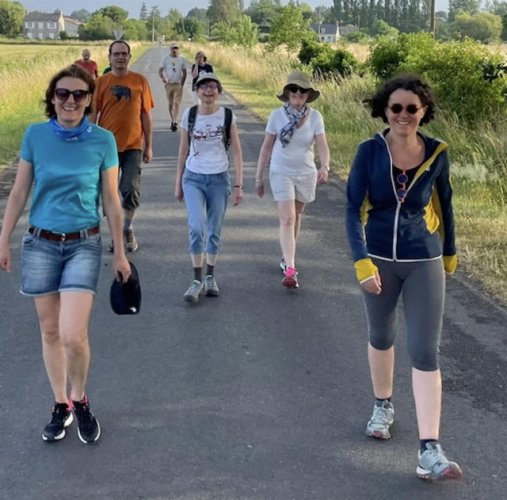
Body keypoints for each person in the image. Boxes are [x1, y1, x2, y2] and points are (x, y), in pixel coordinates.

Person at [0, 64, 130, 444]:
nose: (70, 101)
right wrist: (4, 237)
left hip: (83, 243)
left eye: (79, 94)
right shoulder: (35, 136)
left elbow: (111, 200)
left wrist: (120, 252)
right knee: (51, 331)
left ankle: (80, 397)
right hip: (40, 243)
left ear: (89, 100)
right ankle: (61, 404)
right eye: (62, 93)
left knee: (74, 335)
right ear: (52, 98)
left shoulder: (103, 141)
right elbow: (19, 192)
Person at [345, 74, 462, 481]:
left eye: (412, 108)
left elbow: (445, 203)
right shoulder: (369, 152)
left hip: (424, 259)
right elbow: (351, 208)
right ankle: (383, 405)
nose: (404, 115)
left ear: (423, 111)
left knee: (425, 350)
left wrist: (450, 251)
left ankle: (429, 449)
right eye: (396, 108)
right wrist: (361, 262)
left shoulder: (437, 152)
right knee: (382, 335)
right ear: (385, 110)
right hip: (378, 258)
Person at [255, 71, 330, 289]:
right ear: (287, 93)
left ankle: (287, 256)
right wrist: (259, 176)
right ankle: (290, 268)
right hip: (281, 170)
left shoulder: (315, 117)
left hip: (305, 172)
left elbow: (322, 145)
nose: (298, 94)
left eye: (302, 91)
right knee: (287, 218)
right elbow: (266, 148)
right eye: (294, 91)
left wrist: (325, 166)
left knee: (296, 216)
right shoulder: (276, 116)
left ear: (308, 95)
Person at [175, 73, 243, 303]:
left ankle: (210, 276)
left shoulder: (227, 116)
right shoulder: (190, 115)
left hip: (219, 179)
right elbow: (182, 151)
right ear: (196, 91)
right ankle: (196, 279)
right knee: (196, 226)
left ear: (219, 91)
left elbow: (237, 152)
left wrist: (238, 185)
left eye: (213, 86)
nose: (208, 90)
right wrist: (178, 183)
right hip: (193, 177)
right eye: (203, 86)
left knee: (214, 229)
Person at [91, 40, 154, 253]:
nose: (120, 57)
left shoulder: (140, 81)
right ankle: (116, 235)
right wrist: (88, 144)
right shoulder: (101, 83)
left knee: (130, 190)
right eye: (116, 54)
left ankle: (128, 227)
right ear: (109, 57)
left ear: (129, 57)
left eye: (124, 54)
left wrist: (149, 145)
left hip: (133, 146)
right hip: (106, 148)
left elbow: (146, 115)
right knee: (109, 194)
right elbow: (92, 115)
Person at [159, 42, 187, 132]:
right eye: (173, 48)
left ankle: (175, 121)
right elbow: (160, 71)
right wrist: (164, 79)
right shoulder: (165, 59)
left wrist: (182, 84)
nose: (175, 50)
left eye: (176, 48)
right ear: (170, 49)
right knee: (170, 104)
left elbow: (185, 72)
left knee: (177, 103)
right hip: (169, 84)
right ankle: (172, 120)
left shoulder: (182, 59)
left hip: (178, 84)